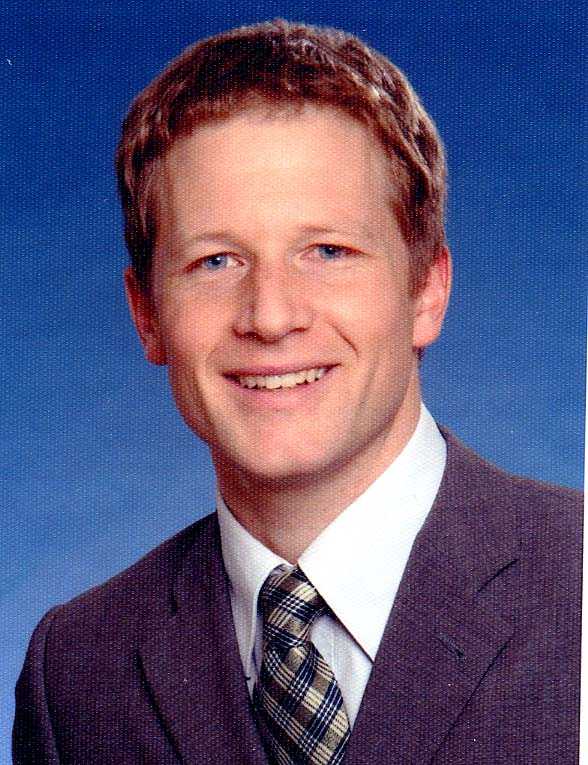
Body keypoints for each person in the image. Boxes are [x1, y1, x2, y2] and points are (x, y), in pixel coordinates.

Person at [13, 19, 581, 765]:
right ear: (146, 314)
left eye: (327, 251)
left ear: (427, 290)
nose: (271, 316)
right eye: (216, 261)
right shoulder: (78, 669)